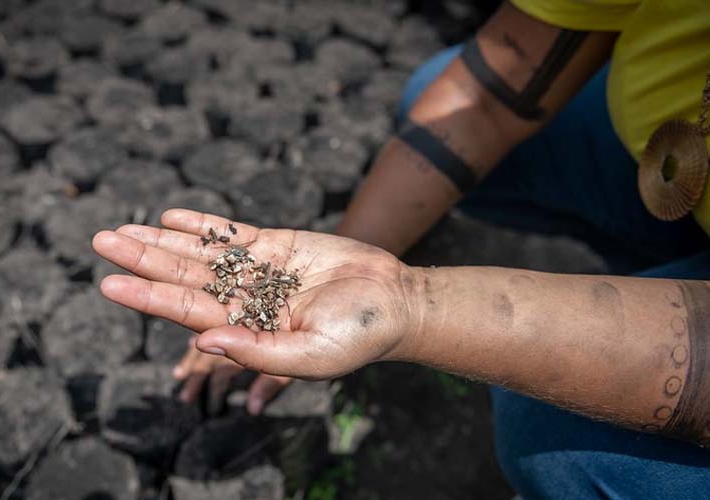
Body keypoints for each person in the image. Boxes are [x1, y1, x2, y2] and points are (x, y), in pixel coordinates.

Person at [93, 1, 710, 497]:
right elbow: (489, 97)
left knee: (555, 435)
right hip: (669, 150)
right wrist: (356, 252)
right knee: (431, 100)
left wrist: (412, 303)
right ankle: (660, 263)